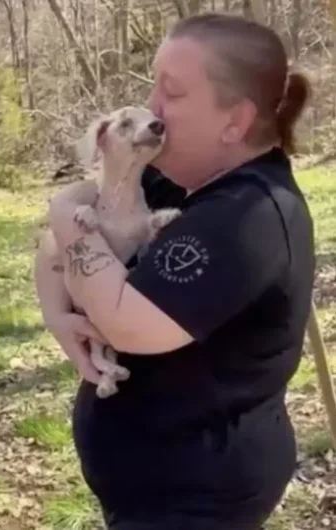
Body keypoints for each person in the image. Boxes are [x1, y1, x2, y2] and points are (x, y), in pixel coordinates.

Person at [34, 13, 315, 530]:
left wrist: (65, 209)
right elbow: (52, 247)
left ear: (235, 120)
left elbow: (124, 320)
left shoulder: (248, 217)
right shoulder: (175, 185)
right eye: (152, 88)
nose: (154, 108)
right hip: (151, 493)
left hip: (199, 502)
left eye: (173, 93)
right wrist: (58, 314)